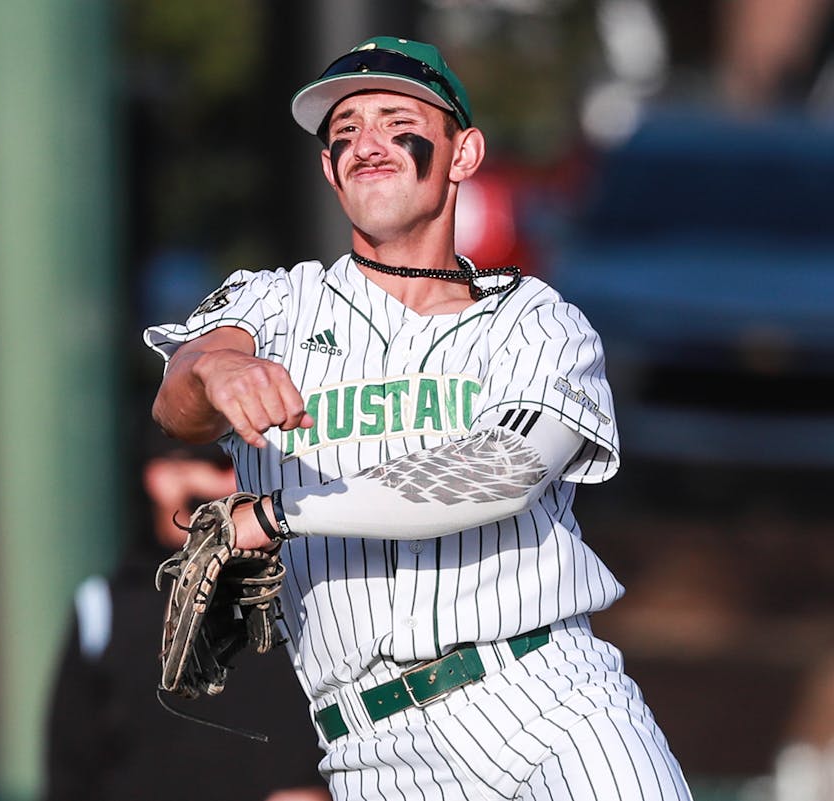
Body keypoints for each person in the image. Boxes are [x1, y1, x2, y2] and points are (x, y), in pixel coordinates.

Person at [143, 36, 691, 800]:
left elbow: (498, 473)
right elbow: (180, 398)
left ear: (464, 152)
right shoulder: (275, 304)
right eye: (343, 133)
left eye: (393, 118)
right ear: (328, 169)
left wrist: (275, 513)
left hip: (546, 702)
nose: (365, 142)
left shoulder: (535, 322)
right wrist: (218, 367)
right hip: (369, 747)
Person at [43, 436, 330, 801]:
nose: (238, 484)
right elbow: (71, 766)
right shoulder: (104, 605)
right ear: (164, 476)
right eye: (223, 467)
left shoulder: (299, 581)